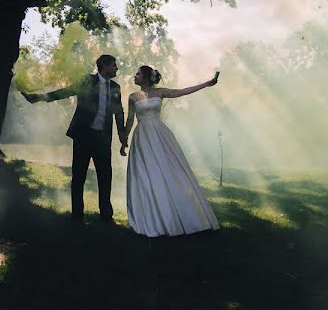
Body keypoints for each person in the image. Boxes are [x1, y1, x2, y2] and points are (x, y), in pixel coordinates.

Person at [24, 54, 127, 223]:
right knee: (79, 176)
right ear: (104, 65)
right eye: (114, 65)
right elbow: (66, 92)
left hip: (103, 139)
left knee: (105, 177)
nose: (116, 68)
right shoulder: (87, 81)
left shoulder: (115, 87)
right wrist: (40, 98)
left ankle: (106, 217)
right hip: (83, 137)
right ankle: (77, 216)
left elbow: (119, 112)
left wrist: (122, 134)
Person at [123, 65, 220, 237]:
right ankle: (151, 213)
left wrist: (206, 84)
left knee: (169, 170)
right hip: (142, 137)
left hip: (160, 135)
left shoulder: (160, 92)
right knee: (146, 173)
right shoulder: (132, 97)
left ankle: (177, 212)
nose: (134, 76)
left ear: (145, 77)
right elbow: (130, 119)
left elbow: (182, 91)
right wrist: (124, 140)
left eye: (137, 74)